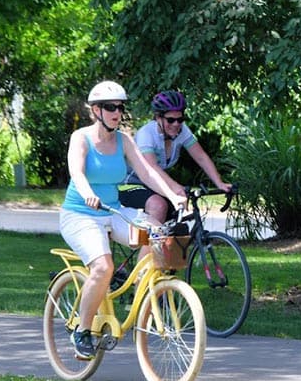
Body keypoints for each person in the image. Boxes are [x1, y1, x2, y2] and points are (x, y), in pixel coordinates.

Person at [59, 80, 187, 361]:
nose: (117, 112)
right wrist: (88, 193)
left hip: (112, 211)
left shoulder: (123, 140)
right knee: (104, 266)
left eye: (120, 107)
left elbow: (148, 173)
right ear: (96, 110)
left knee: (158, 232)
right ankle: (82, 332)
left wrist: (172, 194)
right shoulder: (81, 138)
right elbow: (76, 173)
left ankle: (143, 288)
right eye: (110, 107)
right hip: (80, 214)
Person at [119, 89, 231, 223]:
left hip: (154, 183)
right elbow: (152, 168)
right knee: (159, 205)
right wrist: (176, 188)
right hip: (128, 184)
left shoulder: (182, 130)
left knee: (176, 224)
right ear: (158, 117)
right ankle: (148, 244)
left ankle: (164, 242)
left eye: (180, 119)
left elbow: (201, 156)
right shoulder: (146, 134)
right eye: (170, 120)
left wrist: (219, 183)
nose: (176, 124)